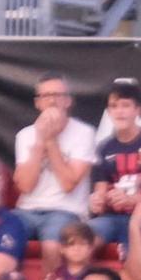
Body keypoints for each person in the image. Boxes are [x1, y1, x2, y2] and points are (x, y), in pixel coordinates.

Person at [10, 74, 95, 244]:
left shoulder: (85, 133)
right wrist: (40, 142)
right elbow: (25, 186)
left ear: (68, 101)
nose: (52, 101)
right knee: (1, 235)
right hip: (27, 210)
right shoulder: (25, 135)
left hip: (66, 210)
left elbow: (68, 183)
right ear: (37, 103)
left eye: (58, 95)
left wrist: (50, 140)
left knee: (52, 245)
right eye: (46, 96)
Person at [88, 80, 141, 246]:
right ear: (108, 112)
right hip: (111, 218)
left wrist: (130, 199)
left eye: (125, 105)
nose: (120, 111)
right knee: (83, 239)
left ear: (137, 110)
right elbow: (100, 192)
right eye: (114, 106)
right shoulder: (104, 148)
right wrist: (97, 201)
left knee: (137, 247)